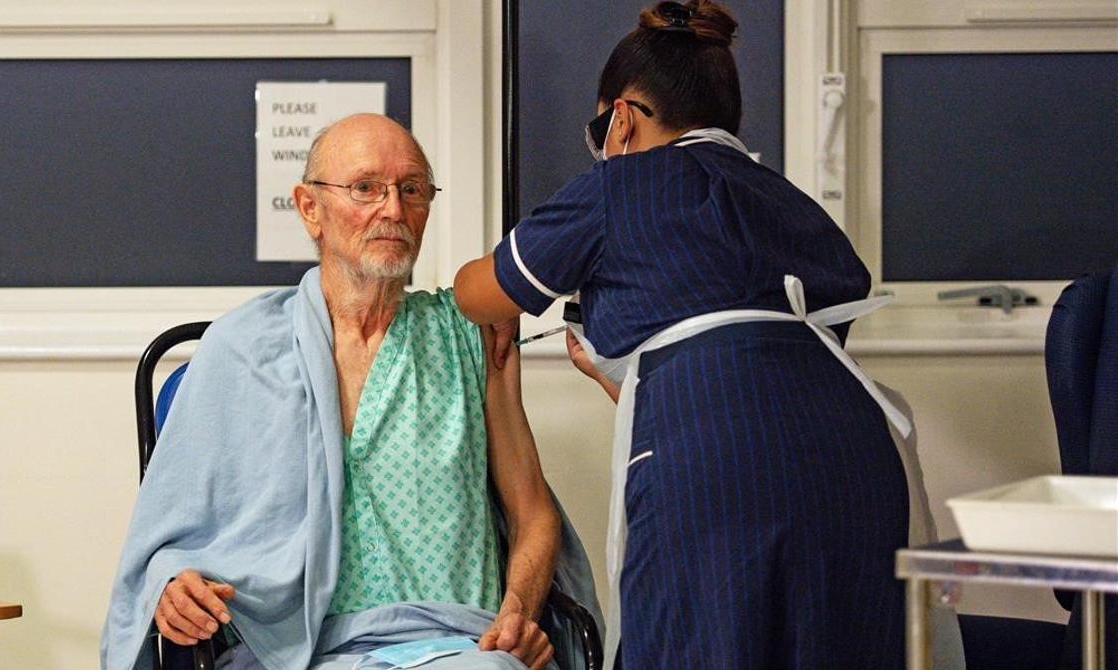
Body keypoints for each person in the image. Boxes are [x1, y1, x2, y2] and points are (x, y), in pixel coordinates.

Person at [453, 1, 911, 668]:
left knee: (695, 643)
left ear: (622, 118)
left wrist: (498, 305)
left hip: (714, 469)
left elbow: (478, 291)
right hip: (856, 459)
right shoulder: (793, 204)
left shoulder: (619, 186)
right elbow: (767, 377)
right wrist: (626, 378)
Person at [102, 114, 599, 670]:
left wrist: (518, 614)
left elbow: (532, 512)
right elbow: (171, 532)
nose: (392, 209)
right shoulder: (239, 348)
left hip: (455, 647)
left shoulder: (471, 334)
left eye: (411, 189)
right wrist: (172, 585)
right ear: (310, 208)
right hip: (289, 651)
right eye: (365, 188)